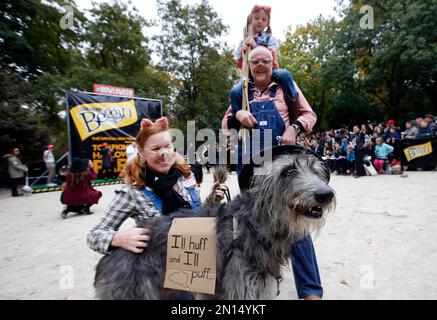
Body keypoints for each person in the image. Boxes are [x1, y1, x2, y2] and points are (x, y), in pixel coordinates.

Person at [222, 46, 321, 300]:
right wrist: (238, 116)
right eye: (255, 61)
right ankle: (258, 282)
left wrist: (295, 128)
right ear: (249, 66)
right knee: (253, 222)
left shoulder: (286, 88)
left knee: (295, 223)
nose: (260, 65)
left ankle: (310, 292)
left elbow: (310, 115)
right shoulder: (241, 94)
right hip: (252, 167)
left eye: (265, 60)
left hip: (284, 164)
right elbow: (225, 127)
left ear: (273, 62)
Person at [87, 117, 226, 256]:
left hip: (197, 257)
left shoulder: (186, 176)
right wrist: (116, 239)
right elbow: (94, 235)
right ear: (141, 152)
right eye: (155, 149)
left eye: (167, 146)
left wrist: (213, 199)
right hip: (159, 267)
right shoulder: (133, 192)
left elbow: (195, 214)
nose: (164, 154)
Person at [229, 5, 298, 121]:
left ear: (267, 23)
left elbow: (271, 55)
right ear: (251, 19)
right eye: (257, 18)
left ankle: (293, 107)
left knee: (285, 75)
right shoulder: (244, 40)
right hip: (251, 74)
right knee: (235, 91)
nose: (260, 21)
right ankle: (239, 119)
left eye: (264, 19)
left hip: (270, 72)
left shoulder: (269, 39)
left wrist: (254, 46)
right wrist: (243, 52)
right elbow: (239, 64)